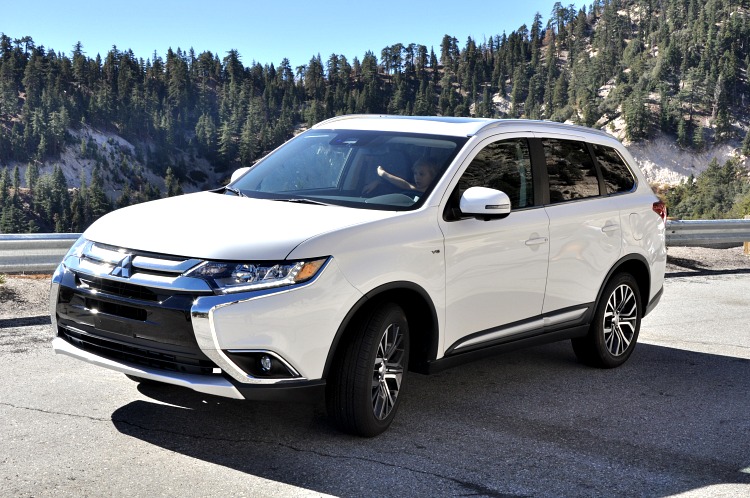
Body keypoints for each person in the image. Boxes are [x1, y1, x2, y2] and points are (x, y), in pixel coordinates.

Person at [364, 158, 439, 194]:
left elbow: (405, 185)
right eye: (415, 173)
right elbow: (404, 185)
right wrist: (379, 182)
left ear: (433, 176)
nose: (417, 177)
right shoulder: (416, 188)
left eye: (421, 174)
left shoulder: (434, 190)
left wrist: (383, 174)